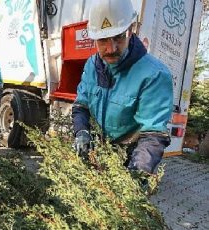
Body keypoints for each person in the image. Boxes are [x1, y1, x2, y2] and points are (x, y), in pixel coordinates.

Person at [72, 0, 173, 174]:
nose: (111, 48)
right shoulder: (91, 66)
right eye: (103, 40)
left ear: (131, 29)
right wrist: (81, 131)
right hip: (99, 151)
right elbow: (81, 106)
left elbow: (153, 136)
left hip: (131, 156)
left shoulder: (154, 75)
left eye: (118, 36)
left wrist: (135, 174)